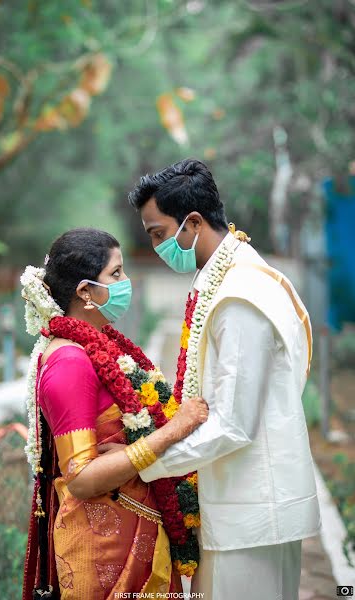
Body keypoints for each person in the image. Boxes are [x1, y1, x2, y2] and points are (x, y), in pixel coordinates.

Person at [127, 158, 321, 600]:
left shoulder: (239, 297)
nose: (158, 246)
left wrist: (143, 462)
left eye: (159, 233)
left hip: (251, 513)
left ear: (192, 223)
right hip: (236, 502)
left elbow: (232, 425)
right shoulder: (227, 279)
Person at [21, 227, 209, 600]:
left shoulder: (95, 345)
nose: (126, 282)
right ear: (85, 293)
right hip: (102, 553)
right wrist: (173, 431)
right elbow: (83, 479)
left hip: (133, 533)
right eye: (116, 274)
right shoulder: (69, 362)